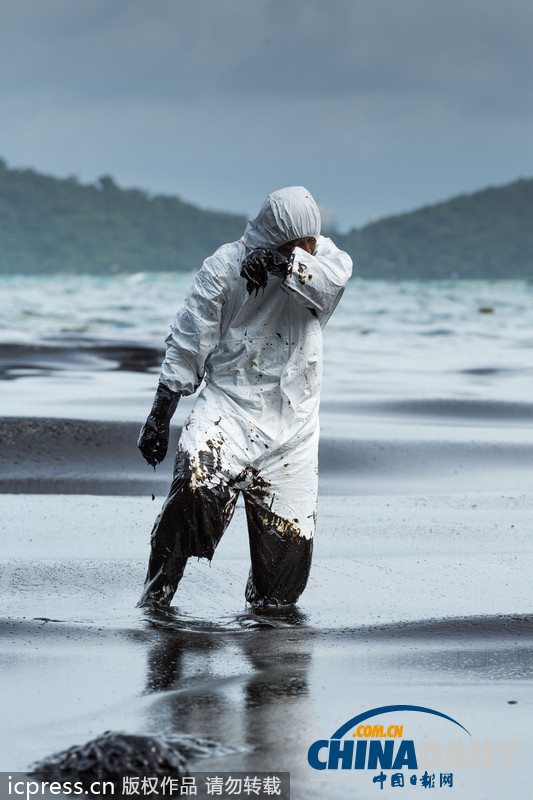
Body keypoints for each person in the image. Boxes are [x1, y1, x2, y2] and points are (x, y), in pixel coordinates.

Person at [137, 186, 352, 609]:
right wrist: (159, 416)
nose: (307, 251)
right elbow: (187, 343)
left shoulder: (328, 262)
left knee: (284, 581)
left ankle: (265, 629)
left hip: (294, 429)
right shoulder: (224, 267)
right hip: (227, 412)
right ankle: (157, 601)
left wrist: (280, 262)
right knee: (192, 494)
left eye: (310, 243)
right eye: (295, 245)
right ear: (269, 235)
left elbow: (329, 284)